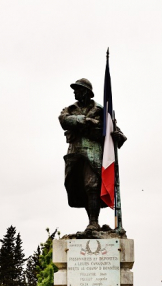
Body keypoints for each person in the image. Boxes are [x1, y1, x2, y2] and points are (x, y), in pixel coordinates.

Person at [59, 78, 126, 231]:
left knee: (92, 185)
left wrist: (118, 136)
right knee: (80, 188)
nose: (75, 92)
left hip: (94, 154)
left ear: (86, 92)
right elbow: (63, 120)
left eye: (78, 89)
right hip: (75, 154)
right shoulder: (70, 109)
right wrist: (85, 120)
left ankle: (93, 222)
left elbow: (115, 128)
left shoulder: (100, 109)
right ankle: (92, 221)